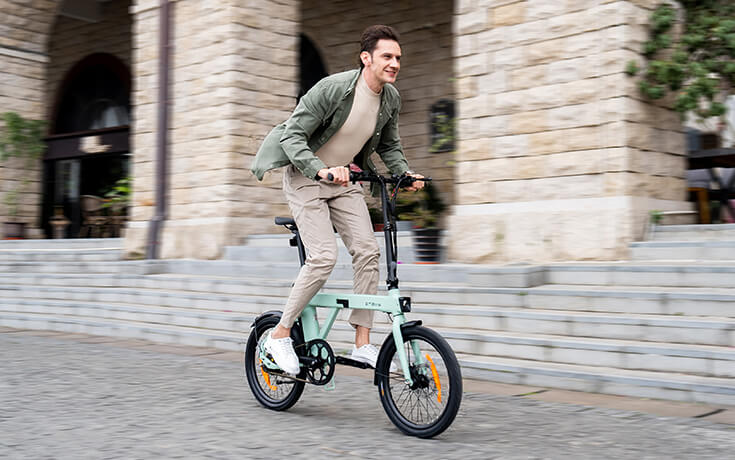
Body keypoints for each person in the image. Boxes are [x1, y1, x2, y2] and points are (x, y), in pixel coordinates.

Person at [251, 25, 424, 374]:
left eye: (398, 58)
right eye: (387, 56)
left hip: (344, 181)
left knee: (368, 251)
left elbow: (389, 145)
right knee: (324, 257)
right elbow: (293, 136)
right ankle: (280, 334)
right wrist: (320, 170)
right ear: (367, 58)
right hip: (306, 177)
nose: (394, 64)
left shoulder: (390, 99)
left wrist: (404, 174)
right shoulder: (333, 89)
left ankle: (362, 344)